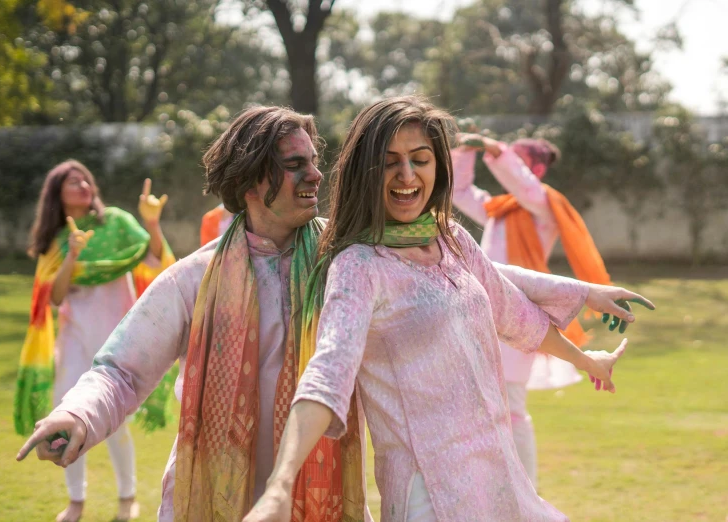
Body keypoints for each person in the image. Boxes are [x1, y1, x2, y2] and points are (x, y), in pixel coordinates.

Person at [17, 106, 649, 522]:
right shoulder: (198, 277)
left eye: (315, 161)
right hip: (218, 489)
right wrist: (75, 415)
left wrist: (580, 295)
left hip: (321, 489)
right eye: (295, 166)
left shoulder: (348, 252)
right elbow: (122, 368)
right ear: (249, 182)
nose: (316, 175)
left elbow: (477, 278)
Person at [244, 96, 654, 522]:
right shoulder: (359, 265)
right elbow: (328, 372)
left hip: (498, 476)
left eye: (420, 159)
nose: (407, 175)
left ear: (437, 166)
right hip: (430, 494)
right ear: (366, 171)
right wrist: (280, 486)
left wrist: (587, 360)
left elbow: (516, 315)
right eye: (390, 162)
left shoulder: (451, 239)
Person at [449, 133, 649, 489]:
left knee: (511, 407)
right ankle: (488, 489)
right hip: (479, 314)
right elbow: (459, 191)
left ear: (537, 169)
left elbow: (525, 187)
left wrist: (496, 151)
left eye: (519, 158)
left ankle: (527, 492)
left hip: (520, 316)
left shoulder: (544, 205)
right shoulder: (500, 208)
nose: (508, 161)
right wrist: (466, 151)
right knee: (475, 405)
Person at [14, 160, 175, 522]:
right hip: (75, 338)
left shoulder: (116, 221)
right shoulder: (56, 240)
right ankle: (76, 502)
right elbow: (55, 296)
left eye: (86, 178)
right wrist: (71, 254)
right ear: (58, 193)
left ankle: (126, 498)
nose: (84, 184)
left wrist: (150, 222)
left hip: (117, 336)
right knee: (63, 416)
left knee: (115, 423)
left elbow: (154, 256)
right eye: (73, 181)